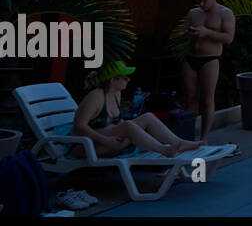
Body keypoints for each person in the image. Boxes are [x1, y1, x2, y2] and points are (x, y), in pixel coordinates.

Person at [75, 61, 203, 159]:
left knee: (147, 117)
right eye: (125, 78)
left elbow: (116, 124)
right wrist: (106, 140)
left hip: (111, 141)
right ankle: (165, 151)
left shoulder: (115, 94)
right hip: (88, 146)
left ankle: (179, 142)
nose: (128, 80)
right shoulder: (96, 96)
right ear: (113, 80)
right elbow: (79, 126)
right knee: (128, 125)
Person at [182, 0, 234, 142]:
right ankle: (188, 135)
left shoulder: (225, 13)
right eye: (199, 0)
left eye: (205, 0)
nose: (201, 4)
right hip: (191, 57)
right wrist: (188, 33)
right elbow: (181, 34)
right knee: (189, 98)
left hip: (210, 59)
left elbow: (228, 38)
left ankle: (204, 137)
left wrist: (207, 32)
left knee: (206, 99)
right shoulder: (193, 13)